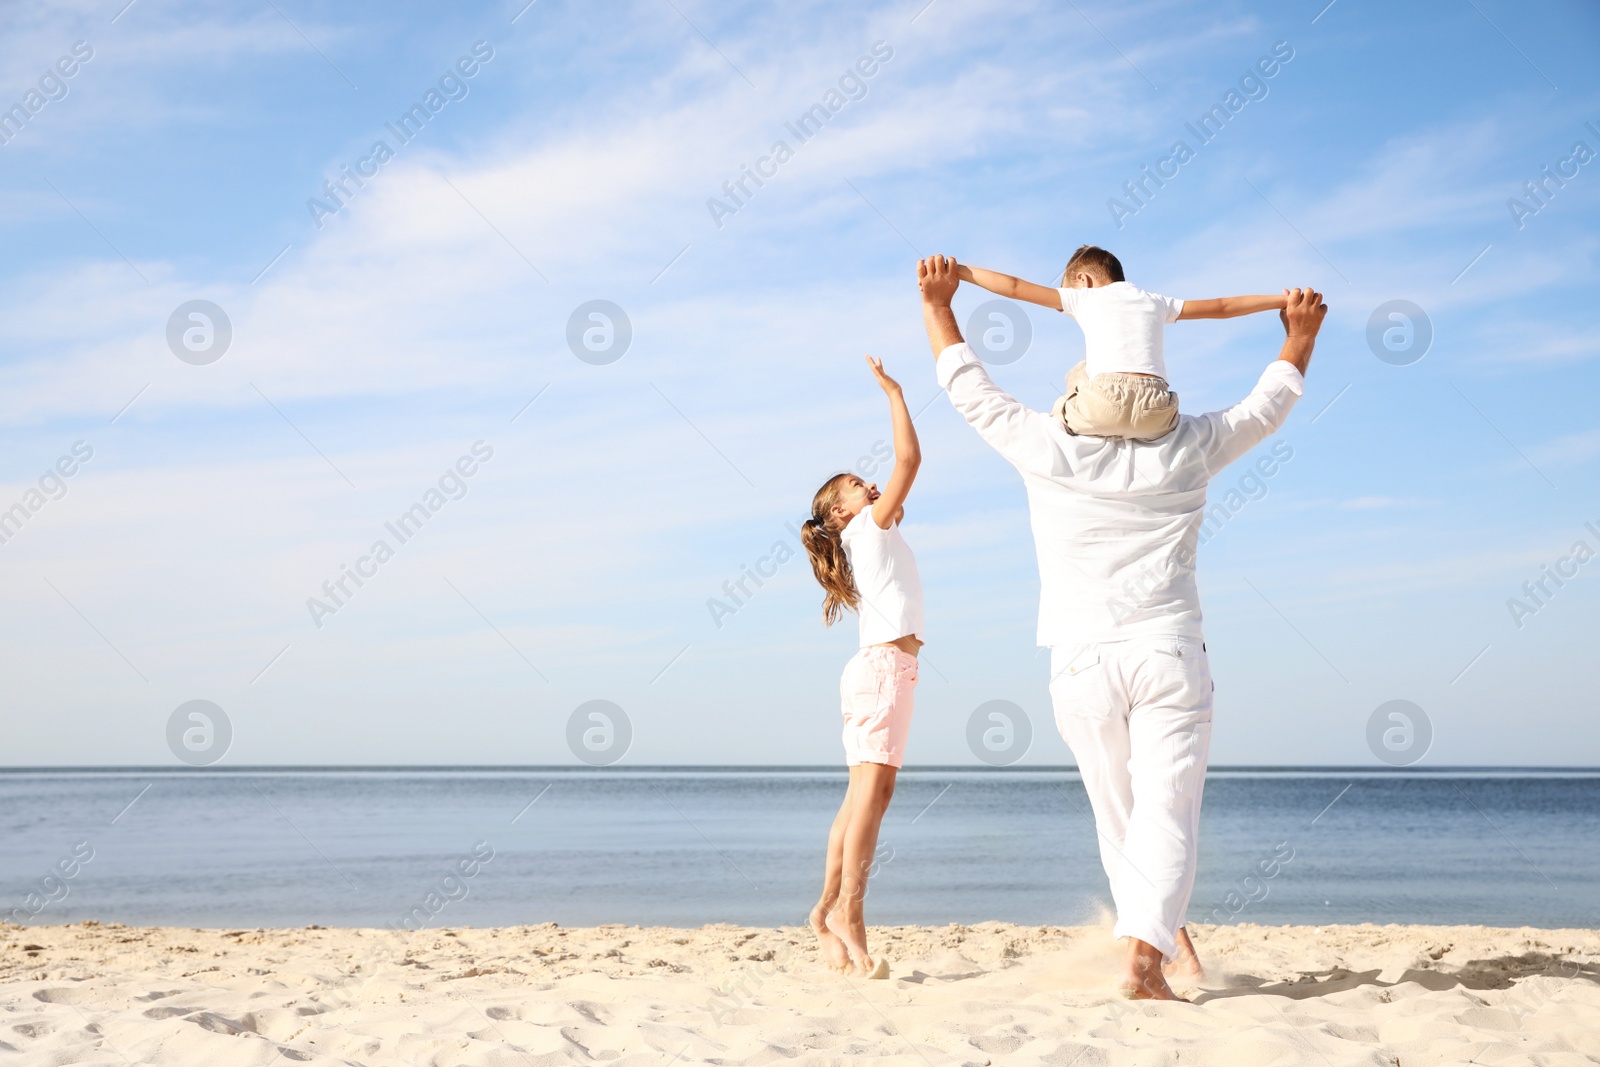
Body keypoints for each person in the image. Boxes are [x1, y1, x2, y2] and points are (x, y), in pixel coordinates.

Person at [918, 253, 1325, 1000]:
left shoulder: (1048, 444)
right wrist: (1298, 335)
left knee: (1122, 822)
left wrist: (940, 303)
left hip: (1081, 663)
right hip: (1168, 650)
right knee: (1166, 813)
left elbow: (967, 388)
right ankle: (1150, 958)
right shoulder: (1188, 444)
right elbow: (1265, 408)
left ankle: (1161, 950)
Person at [798, 356, 925, 981]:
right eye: (854, 483)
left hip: (881, 671)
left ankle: (824, 912)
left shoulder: (869, 531)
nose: (867, 483)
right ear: (841, 510)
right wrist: (896, 393)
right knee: (869, 801)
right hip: (881, 672)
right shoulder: (868, 529)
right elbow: (909, 461)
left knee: (863, 800)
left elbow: (899, 477)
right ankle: (850, 913)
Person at [958, 245, 1287, 440]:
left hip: (1103, 403)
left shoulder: (1082, 299)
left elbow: (1014, 286)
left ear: (1082, 281)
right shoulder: (1156, 301)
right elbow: (1223, 307)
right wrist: (1280, 301)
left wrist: (957, 270)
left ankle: (1069, 424)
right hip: (1159, 411)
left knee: (1079, 374)